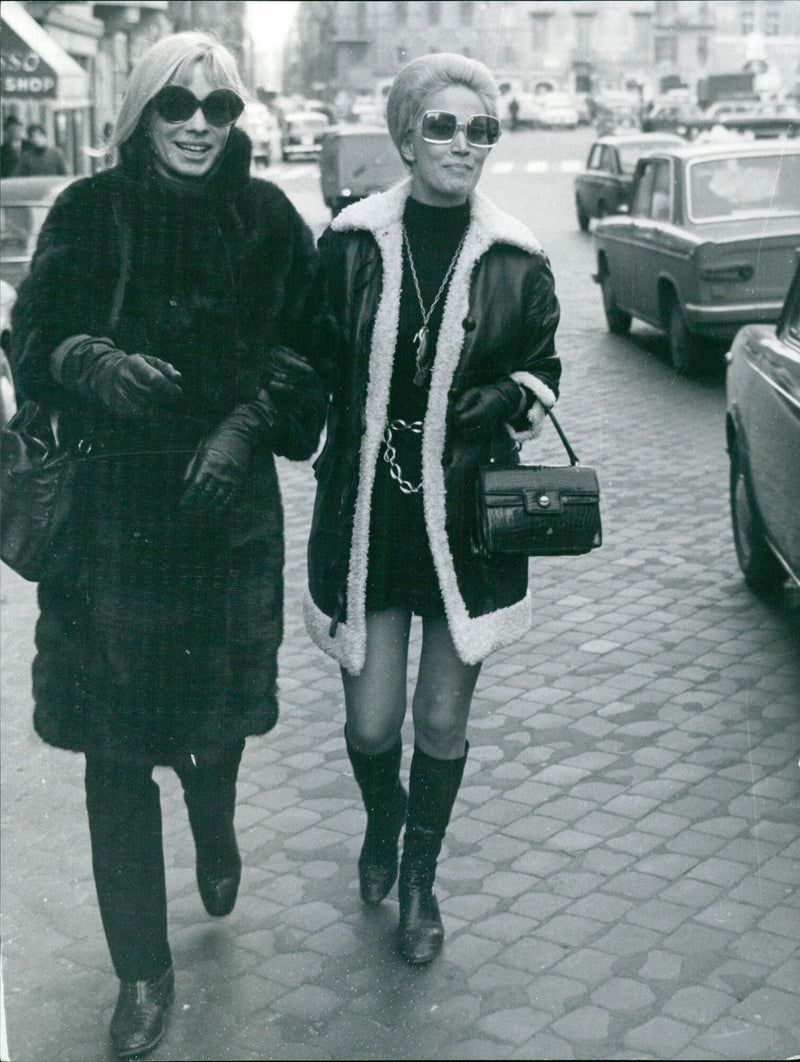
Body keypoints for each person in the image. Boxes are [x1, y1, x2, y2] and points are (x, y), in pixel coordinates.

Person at [9, 32, 325, 1060]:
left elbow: (309, 351)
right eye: (176, 104)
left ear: (240, 117)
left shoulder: (271, 219)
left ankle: (215, 811)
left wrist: (246, 426)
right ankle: (142, 972)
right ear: (141, 113)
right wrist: (85, 360)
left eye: (218, 106)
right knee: (113, 754)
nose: (197, 122)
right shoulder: (86, 212)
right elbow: (31, 335)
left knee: (213, 727)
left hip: (222, 527)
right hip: (109, 530)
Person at [305, 53, 561, 966]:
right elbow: (307, 359)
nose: (464, 143)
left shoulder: (520, 262)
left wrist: (507, 399)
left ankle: (419, 880)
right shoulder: (350, 245)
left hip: (465, 527)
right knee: (373, 724)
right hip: (370, 517)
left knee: (441, 723)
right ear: (407, 135)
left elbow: (545, 371)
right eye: (444, 126)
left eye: (481, 127)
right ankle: (385, 822)